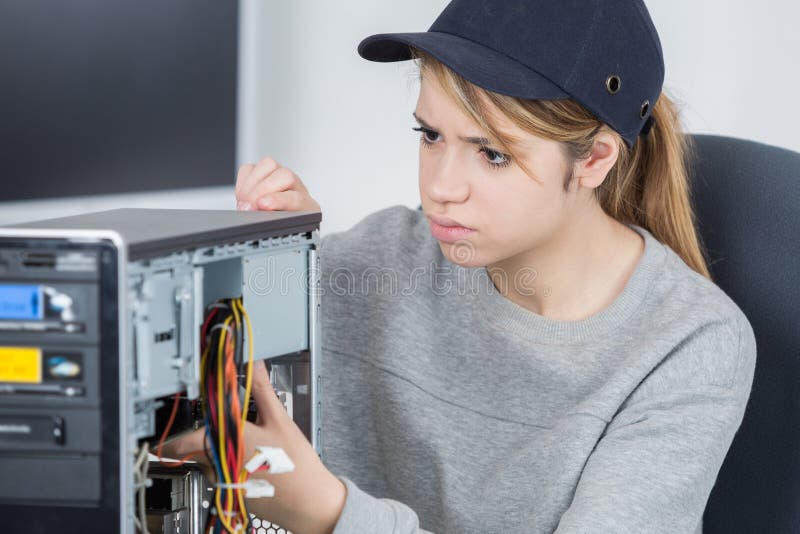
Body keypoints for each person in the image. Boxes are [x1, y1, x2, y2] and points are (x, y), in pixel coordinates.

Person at [166, 1, 757, 532]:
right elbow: (232, 378)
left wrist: (331, 515)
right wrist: (277, 256)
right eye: (430, 135)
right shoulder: (386, 254)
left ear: (595, 159)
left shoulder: (688, 344)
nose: (440, 188)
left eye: (492, 154)